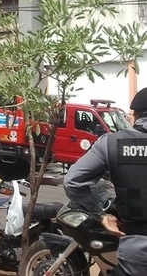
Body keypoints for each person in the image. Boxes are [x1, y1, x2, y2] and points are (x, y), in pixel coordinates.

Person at [64, 87, 147, 276]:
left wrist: (100, 215)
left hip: (135, 256)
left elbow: (73, 181)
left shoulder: (110, 144)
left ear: (134, 115)